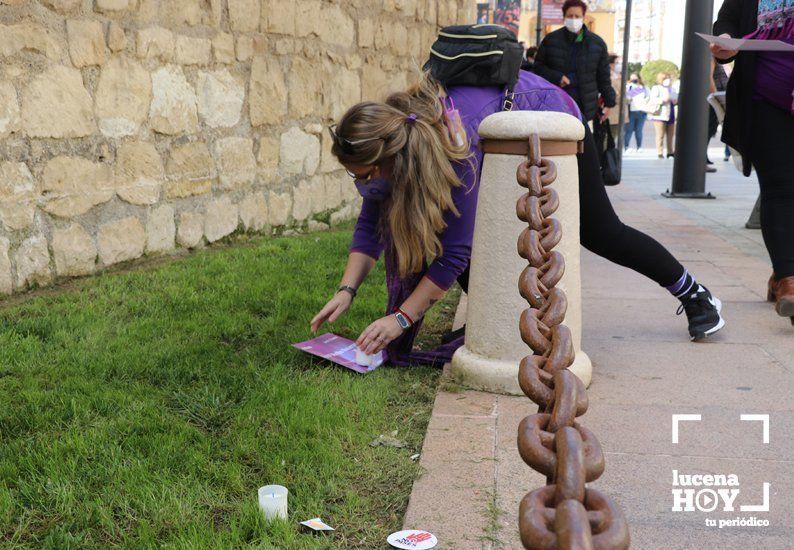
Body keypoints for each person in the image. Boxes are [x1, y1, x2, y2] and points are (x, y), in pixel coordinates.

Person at [310, 71, 725, 364]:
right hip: (500, 131)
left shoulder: (456, 152)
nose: (359, 183)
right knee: (473, 239)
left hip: (550, 118)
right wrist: (347, 289)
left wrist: (401, 318)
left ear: (390, 159)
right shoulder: (395, 139)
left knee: (601, 232)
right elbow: (372, 221)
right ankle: (498, 320)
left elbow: (456, 250)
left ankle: (695, 294)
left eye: (361, 174)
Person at [712, 0, 794, 324]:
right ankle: (789, 279)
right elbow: (727, 22)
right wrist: (725, 45)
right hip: (766, 102)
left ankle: (780, 275)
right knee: (782, 187)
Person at [531, 0, 616, 126]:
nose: (573, 19)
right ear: (564, 17)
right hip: (556, 105)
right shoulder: (550, 40)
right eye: (570, 16)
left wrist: (609, 103)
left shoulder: (597, 44)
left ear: (584, 17)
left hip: (586, 108)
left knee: (584, 144)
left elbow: (603, 77)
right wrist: (556, 77)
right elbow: (537, 68)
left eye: (577, 16)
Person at [648, 71, 677, 159]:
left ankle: (670, 152)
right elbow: (653, 100)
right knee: (660, 135)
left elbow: (675, 98)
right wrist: (663, 100)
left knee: (671, 135)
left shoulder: (672, 88)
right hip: (660, 115)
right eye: (665, 78)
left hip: (671, 113)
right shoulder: (656, 88)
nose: (667, 80)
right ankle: (660, 152)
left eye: (668, 78)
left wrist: (675, 101)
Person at [624, 72, 649, 151]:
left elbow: (648, 98)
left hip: (642, 112)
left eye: (635, 78)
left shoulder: (644, 88)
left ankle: (639, 147)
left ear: (639, 78)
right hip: (631, 112)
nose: (633, 80)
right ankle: (626, 146)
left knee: (639, 130)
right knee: (629, 130)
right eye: (632, 78)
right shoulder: (628, 87)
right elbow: (626, 99)